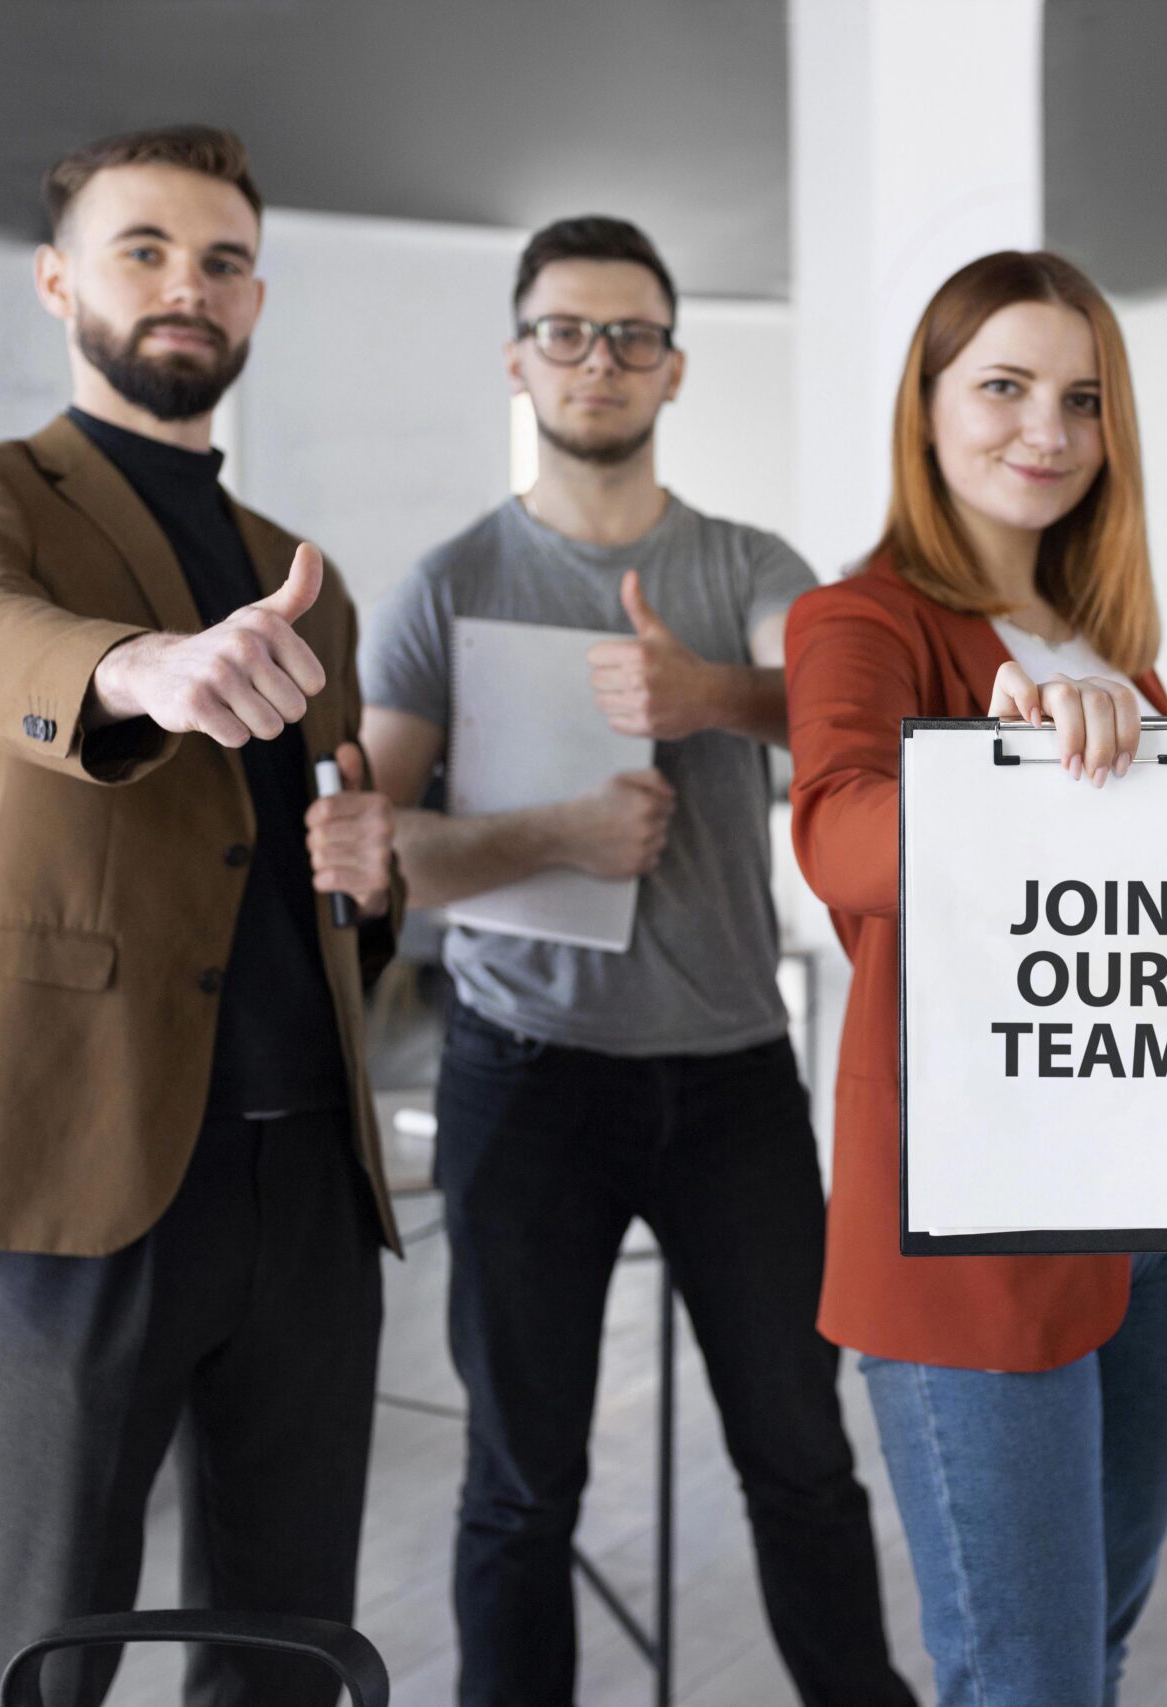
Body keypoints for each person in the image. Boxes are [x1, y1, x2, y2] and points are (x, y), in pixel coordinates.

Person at [0, 126, 404, 1705]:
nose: (187, 285)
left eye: (223, 259)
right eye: (144, 249)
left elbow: (328, 879)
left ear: (255, 298)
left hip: (309, 1183)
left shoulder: (304, 574)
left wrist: (374, 872)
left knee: (287, 1650)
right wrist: (136, 668)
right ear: (58, 281)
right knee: (40, 1642)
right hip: (73, 1156)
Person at [356, 215, 914, 1707]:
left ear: (674, 366)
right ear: (518, 355)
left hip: (732, 1076)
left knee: (801, 1456)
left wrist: (706, 690)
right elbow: (375, 854)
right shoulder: (448, 582)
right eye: (567, 332)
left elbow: (848, 718)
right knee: (521, 1482)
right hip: (524, 1081)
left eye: (632, 337)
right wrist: (554, 833)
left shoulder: (746, 563)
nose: (598, 361)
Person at [780, 249, 1167, 1707]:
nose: (1047, 429)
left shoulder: (1127, 671)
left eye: (1081, 399)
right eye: (1003, 386)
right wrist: (1012, 768)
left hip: (1164, 1248)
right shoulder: (860, 622)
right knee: (1027, 1684)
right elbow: (837, 835)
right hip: (974, 1239)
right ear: (929, 407)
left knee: (1094, 1654)